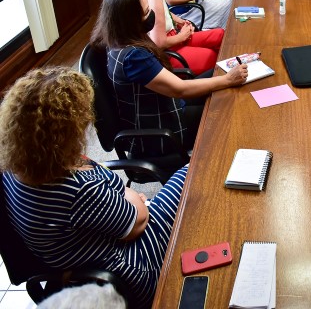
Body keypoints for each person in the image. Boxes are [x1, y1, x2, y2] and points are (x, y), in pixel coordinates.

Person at [0, 66, 188, 308]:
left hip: (78, 255)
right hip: (129, 271)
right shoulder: (77, 189)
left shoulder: (13, 171)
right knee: (188, 176)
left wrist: (124, 200)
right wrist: (132, 198)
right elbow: (138, 223)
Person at [90, 0, 247, 155]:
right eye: (146, 12)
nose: (151, 15)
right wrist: (228, 80)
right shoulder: (134, 57)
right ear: (130, 20)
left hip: (161, 105)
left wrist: (226, 78)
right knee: (225, 110)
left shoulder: (115, 41)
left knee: (219, 73)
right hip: (161, 129)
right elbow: (179, 89)